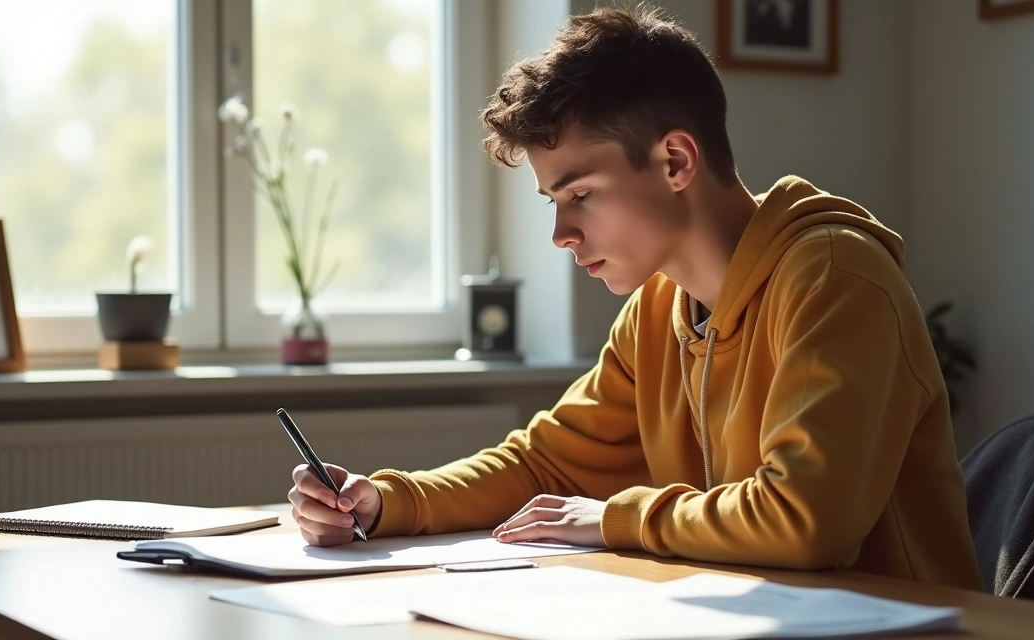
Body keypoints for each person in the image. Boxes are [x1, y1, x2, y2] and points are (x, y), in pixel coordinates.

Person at [287, 4, 983, 589]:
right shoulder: (660, 309)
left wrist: (614, 515)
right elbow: (545, 463)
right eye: (553, 202)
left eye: (580, 195)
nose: (561, 233)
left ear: (675, 161)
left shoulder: (837, 280)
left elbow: (805, 521)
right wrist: (384, 501)